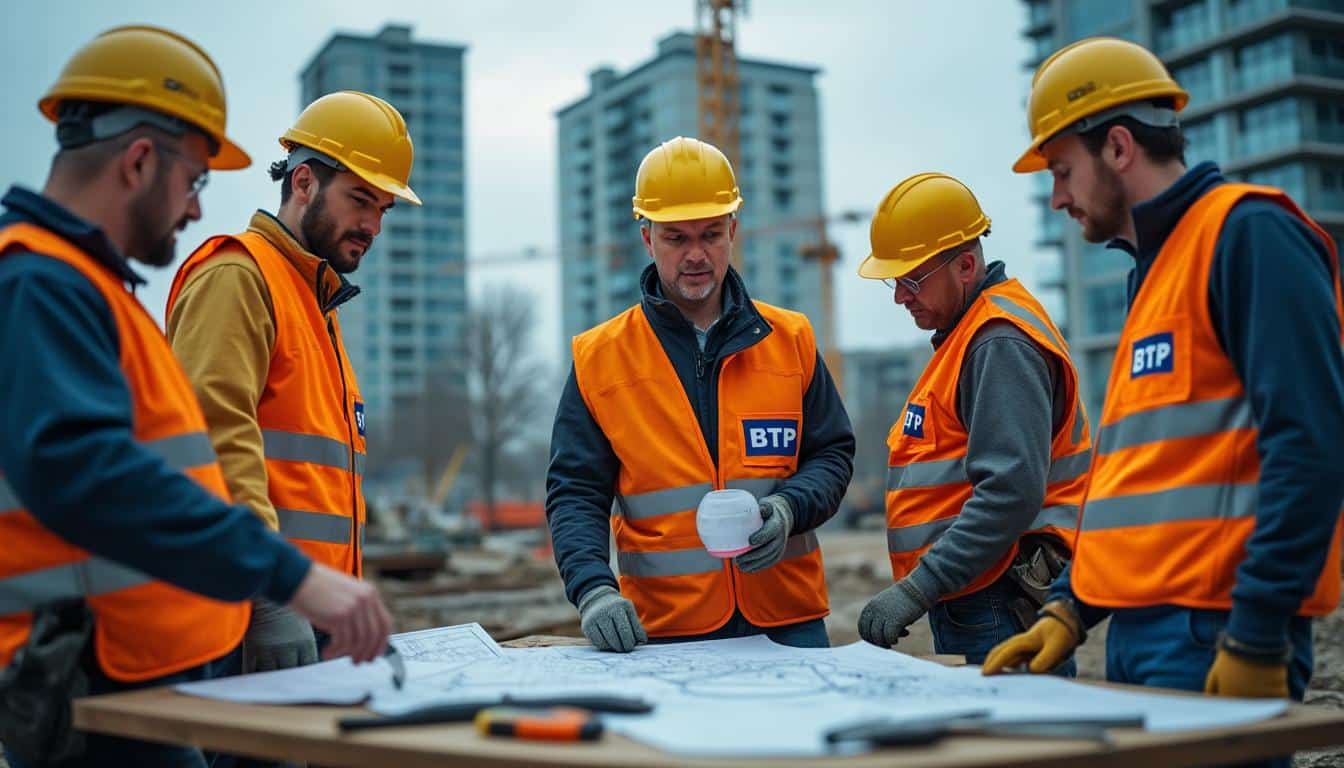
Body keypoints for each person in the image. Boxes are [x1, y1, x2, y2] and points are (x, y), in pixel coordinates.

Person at [0, 26, 392, 768]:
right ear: (140, 161)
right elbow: (97, 472)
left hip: (131, 668)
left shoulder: (85, 290)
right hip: (89, 682)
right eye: (194, 182)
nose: (192, 211)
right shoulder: (39, 284)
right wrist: (283, 580)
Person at [984, 36, 1344, 729]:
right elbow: (1139, 478)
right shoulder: (1152, 271)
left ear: (1118, 147)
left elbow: (1311, 448)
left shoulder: (1250, 235)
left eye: (1061, 170)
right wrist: (1071, 604)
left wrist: (1258, 633)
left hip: (1219, 630)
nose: (1056, 197)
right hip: (1143, 634)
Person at [546, 136, 854, 652]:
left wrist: (788, 510)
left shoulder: (791, 340)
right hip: (666, 629)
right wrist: (594, 590)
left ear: (733, 229)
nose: (695, 255)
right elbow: (576, 492)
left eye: (711, 234)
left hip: (788, 619)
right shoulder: (600, 358)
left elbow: (832, 453)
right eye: (675, 238)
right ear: (647, 238)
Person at [165, 91, 418, 675]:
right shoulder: (239, 276)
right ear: (303, 181)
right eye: (361, 200)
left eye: (384, 208)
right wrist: (266, 595)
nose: (373, 225)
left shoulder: (317, 305)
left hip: (308, 626)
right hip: (247, 626)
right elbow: (210, 442)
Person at [854, 173, 1090, 669]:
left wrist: (920, 585)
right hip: (976, 591)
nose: (900, 296)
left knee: (1020, 741)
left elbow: (1009, 492)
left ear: (965, 265)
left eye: (911, 279)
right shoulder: (967, 337)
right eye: (893, 281)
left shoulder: (997, 343)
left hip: (999, 598)